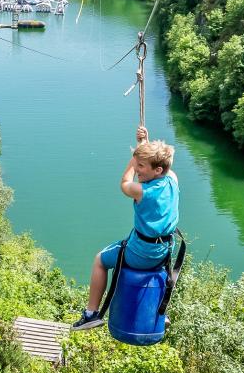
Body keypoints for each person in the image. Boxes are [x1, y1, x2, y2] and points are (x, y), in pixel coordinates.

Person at [72, 126, 178, 331]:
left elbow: (124, 183)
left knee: (100, 260)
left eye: (141, 166)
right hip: (164, 253)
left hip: (141, 253)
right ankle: (159, 313)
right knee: (153, 266)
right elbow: (166, 167)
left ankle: (91, 314)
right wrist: (144, 147)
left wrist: (134, 158)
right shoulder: (172, 181)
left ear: (157, 170)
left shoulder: (141, 191)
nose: (138, 169)